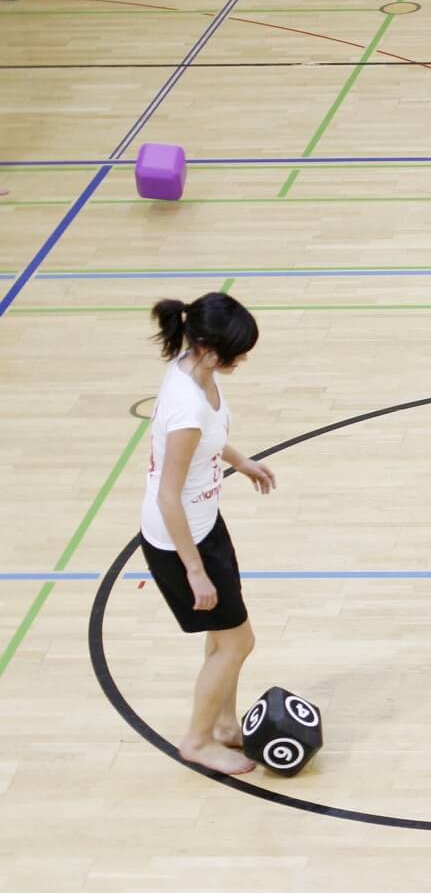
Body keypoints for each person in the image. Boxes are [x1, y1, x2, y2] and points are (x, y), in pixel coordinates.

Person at [138, 293, 277, 776]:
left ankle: (222, 725)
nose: (241, 360)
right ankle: (197, 740)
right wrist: (194, 570)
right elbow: (167, 497)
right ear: (209, 348)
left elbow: (209, 439)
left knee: (225, 637)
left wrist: (241, 461)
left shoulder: (192, 367)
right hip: (181, 542)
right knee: (239, 642)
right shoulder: (186, 409)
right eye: (236, 352)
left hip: (204, 526)